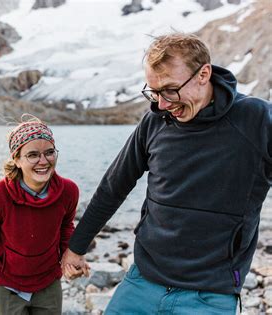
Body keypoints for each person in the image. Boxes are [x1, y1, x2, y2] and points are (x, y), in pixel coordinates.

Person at [61, 32, 271, 314]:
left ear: (203, 74)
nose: (162, 104)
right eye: (154, 92)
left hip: (210, 294)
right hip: (142, 282)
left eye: (170, 90)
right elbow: (114, 186)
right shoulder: (155, 121)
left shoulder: (255, 120)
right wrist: (77, 247)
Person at [0, 115, 83, 315]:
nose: (43, 161)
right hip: (7, 287)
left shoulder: (69, 191)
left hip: (48, 284)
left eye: (49, 152)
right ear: (16, 159)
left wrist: (72, 257)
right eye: (32, 155)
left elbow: (66, 227)